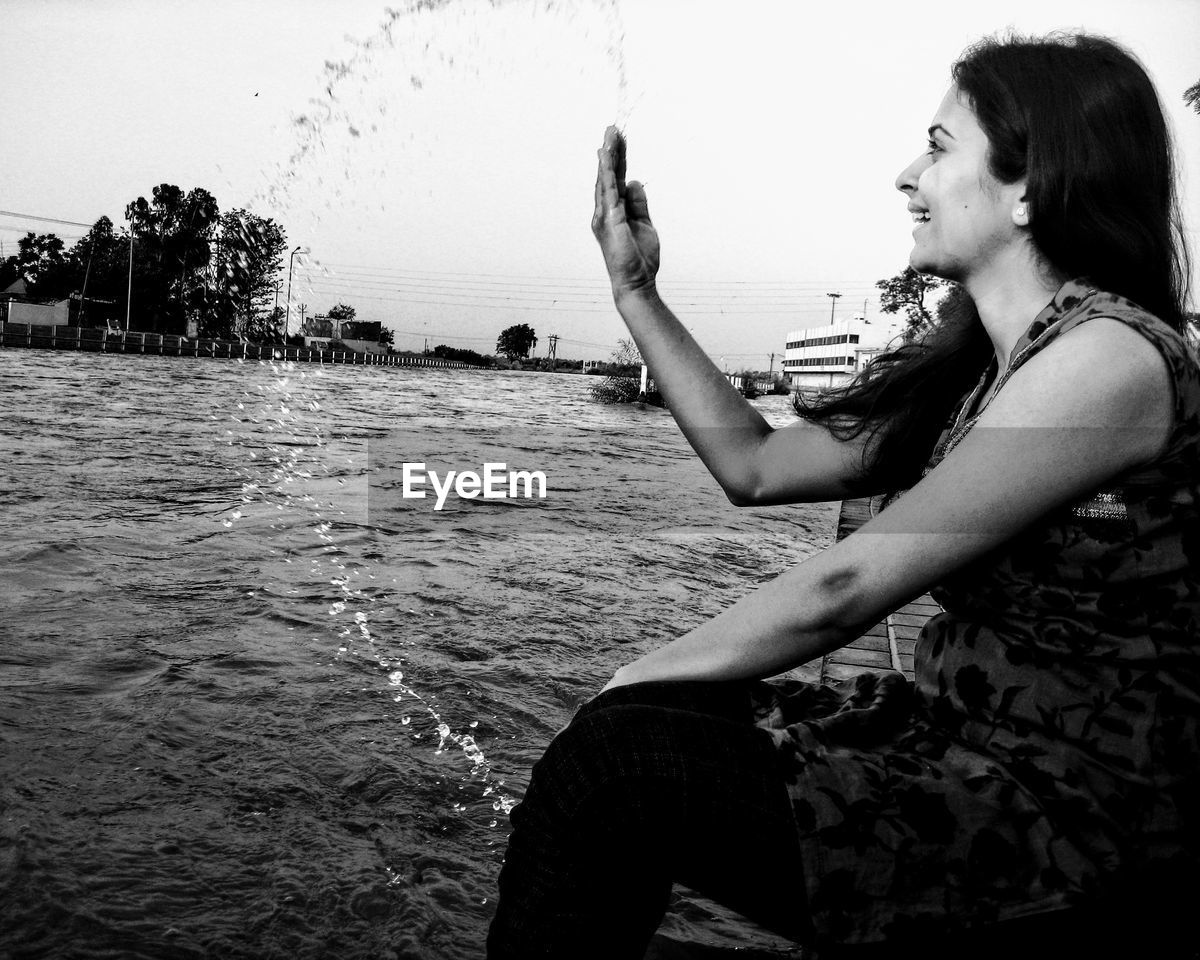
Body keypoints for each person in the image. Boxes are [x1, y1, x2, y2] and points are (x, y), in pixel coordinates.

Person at [487, 32, 1199, 960]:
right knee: (644, 735)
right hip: (959, 743)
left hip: (1061, 819)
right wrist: (636, 293)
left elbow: (846, 589)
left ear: (1031, 185)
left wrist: (624, 679)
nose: (907, 176)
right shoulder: (982, 369)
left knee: (612, 766)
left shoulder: (1110, 359)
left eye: (939, 148)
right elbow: (757, 468)